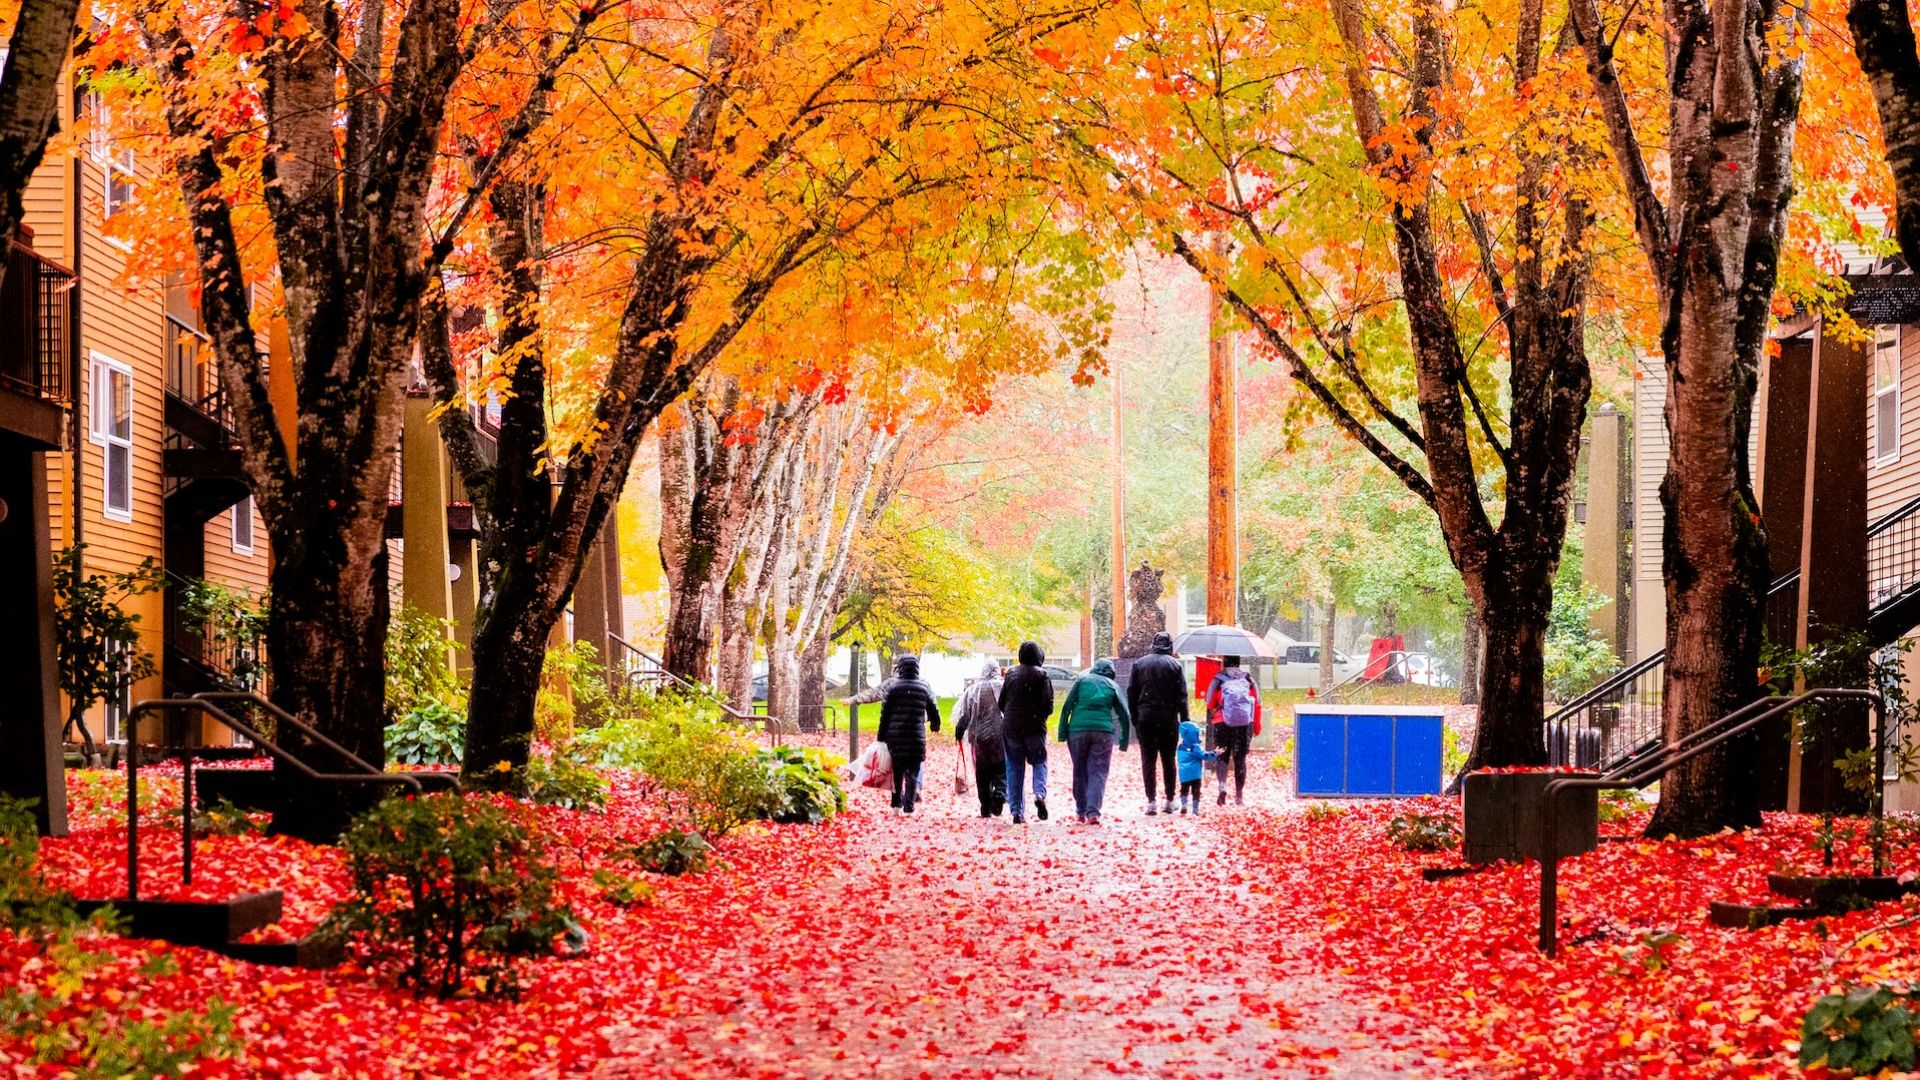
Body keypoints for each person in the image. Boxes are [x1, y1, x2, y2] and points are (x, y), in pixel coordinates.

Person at [1057, 658, 1132, 824]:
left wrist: (1062, 732)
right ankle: (1093, 812)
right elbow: (1124, 714)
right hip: (1103, 733)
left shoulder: (1082, 681)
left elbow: (1067, 707)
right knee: (1098, 771)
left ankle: (1081, 811)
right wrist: (1124, 740)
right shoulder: (1112, 686)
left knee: (1079, 770)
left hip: (1077, 731)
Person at [1127, 631, 1189, 816]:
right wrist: (1185, 721)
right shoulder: (1175, 666)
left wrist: (1135, 718)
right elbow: (1182, 697)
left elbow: (1131, 693)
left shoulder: (1140, 664)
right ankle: (1170, 799)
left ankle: (1151, 801)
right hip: (1169, 719)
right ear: (1170, 645)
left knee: (1148, 760)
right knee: (1169, 760)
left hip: (1146, 718)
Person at [997, 641, 1055, 823]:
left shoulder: (1011, 674)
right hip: (1035, 727)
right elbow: (1048, 705)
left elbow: (1002, 703)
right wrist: (1039, 717)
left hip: (1012, 728)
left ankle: (1016, 812)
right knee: (1039, 762)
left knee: (1014, 767)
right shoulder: (1042, 676)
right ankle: (1039, 793)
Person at [876, 655, 941, 814]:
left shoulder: (893, 688)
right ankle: (909, 806)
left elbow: (885, 713)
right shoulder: (923, 687)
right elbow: (933, 709)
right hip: (916, 737)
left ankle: (896, 804)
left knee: (897, 772)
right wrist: (935, 724)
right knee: (913, 771)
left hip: (896, 736)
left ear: (901, 668)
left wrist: (881, 735)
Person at [952, 660, 1008, 817]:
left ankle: (985, 806)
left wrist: (960, 730)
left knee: (982, 772)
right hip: (1000, 736)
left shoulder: (973, 690)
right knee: (1000, 768)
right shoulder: (1002, 686)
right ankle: (1000, 793)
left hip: (979, 739)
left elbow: (965, 714)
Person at [1204, 655, 1261, 805]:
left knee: (1222, 756)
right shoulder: (1248, 680)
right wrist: (1256, 726)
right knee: (1240, 758)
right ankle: (1239, 796)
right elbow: (1257, 703)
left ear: (1225, 662)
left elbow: (1209, 702)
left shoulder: (1218, 679)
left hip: (1222, 723)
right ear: (1238, 663)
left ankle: (1222, 786)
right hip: (1243, 724)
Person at [1175, 719, 1218, 814]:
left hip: (1184, 774)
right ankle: (1195, 809)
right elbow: (1205, 756)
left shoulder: (1180, 747)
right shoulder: (1195, 747)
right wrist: (1216, 753)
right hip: (1195, 774)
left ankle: (1184, 805)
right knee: (1196, 791)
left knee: (1184, 789)